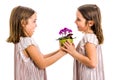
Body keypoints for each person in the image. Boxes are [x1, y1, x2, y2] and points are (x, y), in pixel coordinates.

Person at [7, 6, 66, 80]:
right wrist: (62, 53)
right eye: (34, 21)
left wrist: (60, 50)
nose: (36, 25)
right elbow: (42, 64)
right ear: (23, 23)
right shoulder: (27, 42)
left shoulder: (20, 41)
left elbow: (41, 57)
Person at [61, 4, 105, 80]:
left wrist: (74, 53)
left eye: (78, 19)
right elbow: (84, 58)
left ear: (90, 23)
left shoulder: (89, 38)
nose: (75, 21)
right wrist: (73, 51)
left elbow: (92, 63)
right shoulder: (90, 37)